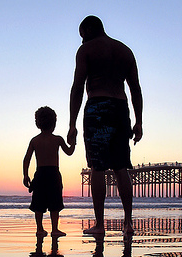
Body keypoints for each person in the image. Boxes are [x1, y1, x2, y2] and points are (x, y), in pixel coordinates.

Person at [67, 16, 143, 236]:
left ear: (90, 29)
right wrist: (139, 121)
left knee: (97, 167)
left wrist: (72, 124)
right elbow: (135, 89)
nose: (81, 41)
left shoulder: (86, 50)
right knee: (121, 167)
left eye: (82, 35)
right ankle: (128, 223)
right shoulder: (125, 51)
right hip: (121, 108)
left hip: (97, 107)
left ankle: (100, 225)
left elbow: (78, 87)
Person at [23, 106, 75, 237]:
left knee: (38, 203)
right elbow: (69, 152)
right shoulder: (57, 139)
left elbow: (26, 159)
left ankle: (39, 229)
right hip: (53, 174)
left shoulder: (35, 140)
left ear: (38, 123)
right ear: (54, 123)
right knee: (55, 203)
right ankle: (55, 229)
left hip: (40, 174)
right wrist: (73, 142)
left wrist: (25, 175)